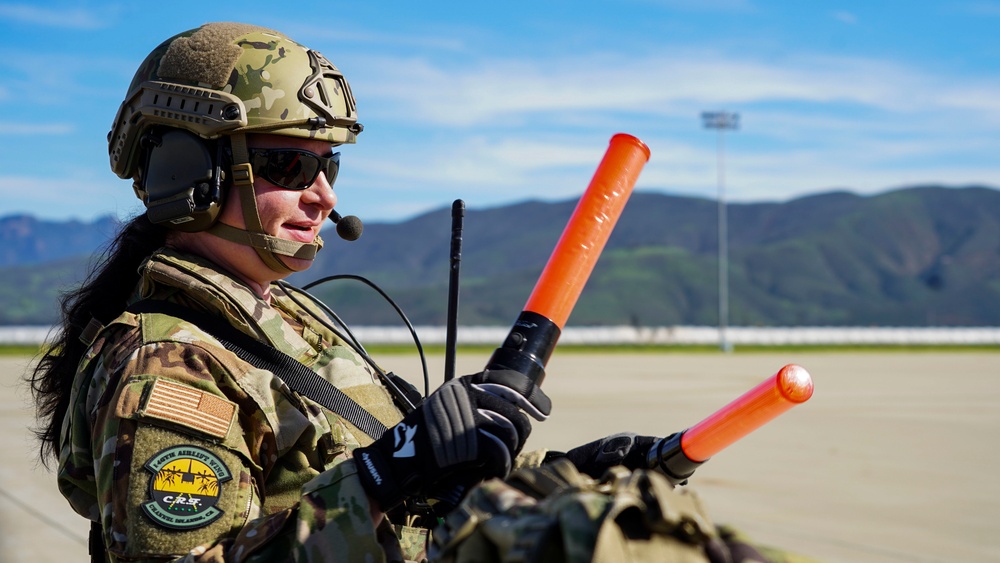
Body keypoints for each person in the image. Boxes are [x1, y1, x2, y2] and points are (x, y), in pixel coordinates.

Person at [30, 22, 778, 563]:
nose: (322, 195)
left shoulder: (282, 317)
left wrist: (574, 468)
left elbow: (412, 495)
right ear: (188, 171)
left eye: (330, 166)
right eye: (290, 164)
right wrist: (391, 470)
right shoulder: (166, 366)